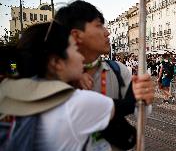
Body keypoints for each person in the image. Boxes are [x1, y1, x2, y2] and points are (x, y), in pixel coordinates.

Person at [54, 0, 154, 150]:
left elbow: (141, 112)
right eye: (99, 25)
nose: (107, 32)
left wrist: (143, 98)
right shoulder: (50, 78)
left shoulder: (118, 70)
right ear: (76, 35)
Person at [0, 22, 114, 150]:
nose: (81, 57)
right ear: (56, 62)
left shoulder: (10, 94)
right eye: (76, 49)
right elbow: (115, 110)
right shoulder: (76, 103)